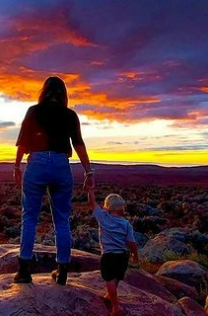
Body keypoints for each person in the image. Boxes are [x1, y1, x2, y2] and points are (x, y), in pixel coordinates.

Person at [13, 76, 94, 285]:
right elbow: (78, 144)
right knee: (61, 220)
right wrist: (89, 172)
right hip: (60, 164)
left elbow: (22, 143)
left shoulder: (34, 111)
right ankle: (62, 270)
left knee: (29, 217)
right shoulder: (69, 115)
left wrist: (16, 166)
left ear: (44, 91)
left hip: (37, 163)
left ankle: (23, 271)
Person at [88, 190, 139, 316]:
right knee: (116, 276)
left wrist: (90, 190)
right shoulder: (126, 224)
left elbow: (92, 203)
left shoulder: (103, 217)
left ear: (108, 206)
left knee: (109, 279)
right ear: (121, 208)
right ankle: (110, 295)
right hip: (122, 255)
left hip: (109, 255)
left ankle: (115, 306)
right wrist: (135, 255)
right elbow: (131, 243)